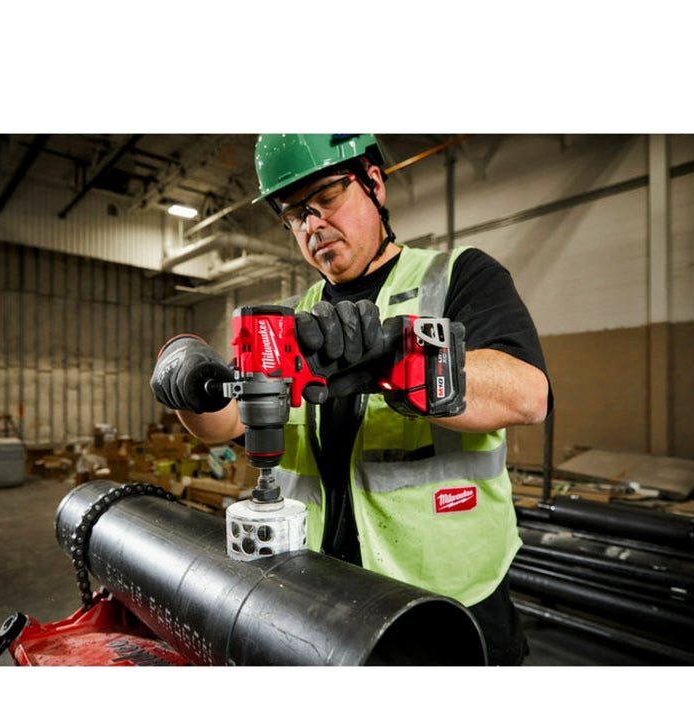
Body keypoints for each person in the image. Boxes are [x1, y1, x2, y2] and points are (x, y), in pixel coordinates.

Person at [151, 134, 551, 665]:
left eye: (326, 198)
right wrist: (186, 373)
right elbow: (222, 423)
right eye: (294, 215)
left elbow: (528, 395)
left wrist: (393, 359)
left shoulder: (459, 277)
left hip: (447, 602)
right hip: (317, 589)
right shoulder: (293, 317)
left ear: (374, 182)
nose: (311, 225)